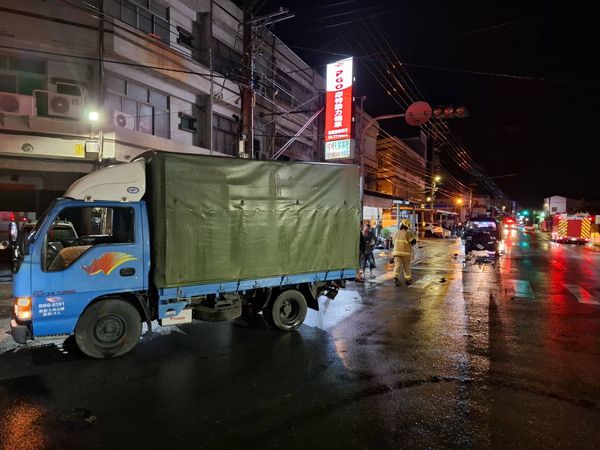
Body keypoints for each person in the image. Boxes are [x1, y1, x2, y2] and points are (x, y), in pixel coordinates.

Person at [392, 219, 417, 286]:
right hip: (405, 253)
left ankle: (396, 277)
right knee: (406, 267)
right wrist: (414, 236)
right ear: (407, 226)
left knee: (397, 266)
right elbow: (413, 242)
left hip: (396, 253)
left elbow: (393, 242)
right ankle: (408, 280)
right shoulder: (407, 233)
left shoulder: (396, 232)